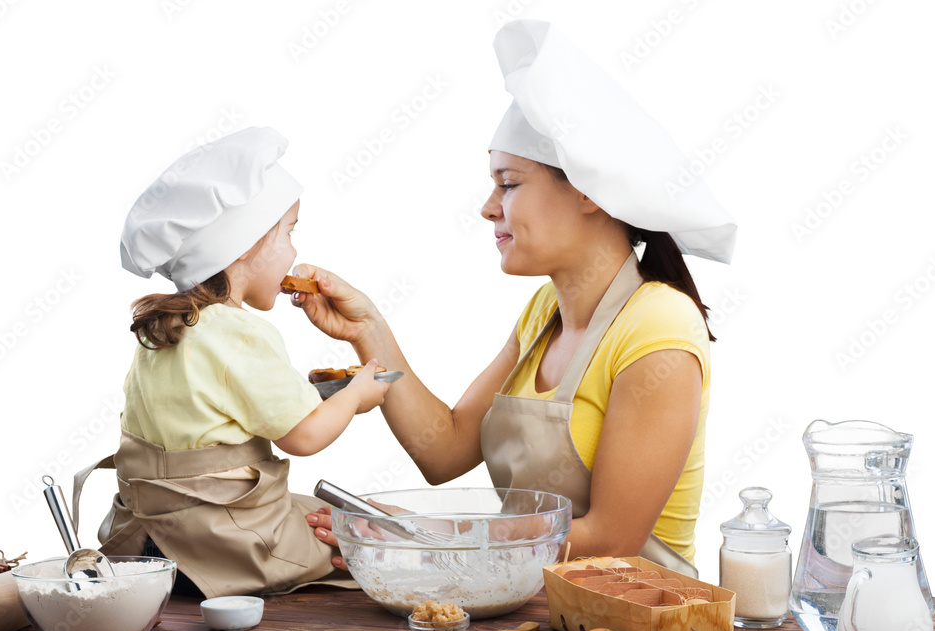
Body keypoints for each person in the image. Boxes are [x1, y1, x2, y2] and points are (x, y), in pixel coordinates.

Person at [300, 20, 737, 576]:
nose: (488, 207)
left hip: (638, 620)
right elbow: (446, 449)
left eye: (508, 183)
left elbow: (611, 539)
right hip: (529, 603)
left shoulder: (658, 328)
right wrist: (369, 330)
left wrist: (424, 538)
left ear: (585, 191)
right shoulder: (543, 314)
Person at [72, 126, 390, 598]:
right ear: (244, 245)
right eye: (288, 232)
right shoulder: (243, 333)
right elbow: (305, 437)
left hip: (149, 538)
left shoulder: (164, 330)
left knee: (326, 513)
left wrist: (325, 396)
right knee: (366, 533)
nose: (295, 251)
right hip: (225, 542)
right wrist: (359, 395)